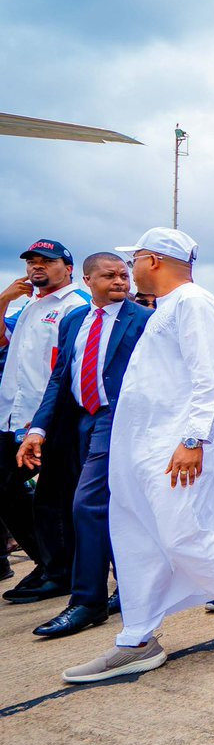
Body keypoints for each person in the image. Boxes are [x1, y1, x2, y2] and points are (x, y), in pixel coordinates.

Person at [63, 228, 214, 684]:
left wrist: (193, 440)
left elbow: (209, 376)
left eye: (135, 260)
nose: (131, 270)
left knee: (183, 535)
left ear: (154, 260)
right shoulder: (164, 308)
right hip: (142, 452)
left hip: (176, 449)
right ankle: (137, 639)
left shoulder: (193, 302)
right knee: (139, 541)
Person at [16, 253, 151, 637]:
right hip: (81, 422)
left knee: (86, 505)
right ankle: (128, 587)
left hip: (119, 419)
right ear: (89, 280)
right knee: (112, 507)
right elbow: (60, 377)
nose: (120, 281)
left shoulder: (143, 320)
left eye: (124, 275)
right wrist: (38, 429)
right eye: (110, 275)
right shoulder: (74, 320)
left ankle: (87, 601)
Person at [0, 239, 89, 603]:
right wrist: (4, 300)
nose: (37, 266)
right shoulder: (30, 306)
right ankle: (49, 561)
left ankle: (60, 571)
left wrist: (47, 420)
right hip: (15, 415)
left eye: (47, 261)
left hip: (51, 417)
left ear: (67, 268)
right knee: (10, 489)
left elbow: (70, 367)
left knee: (54, 497)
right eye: (32, 261)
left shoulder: (76, 305)